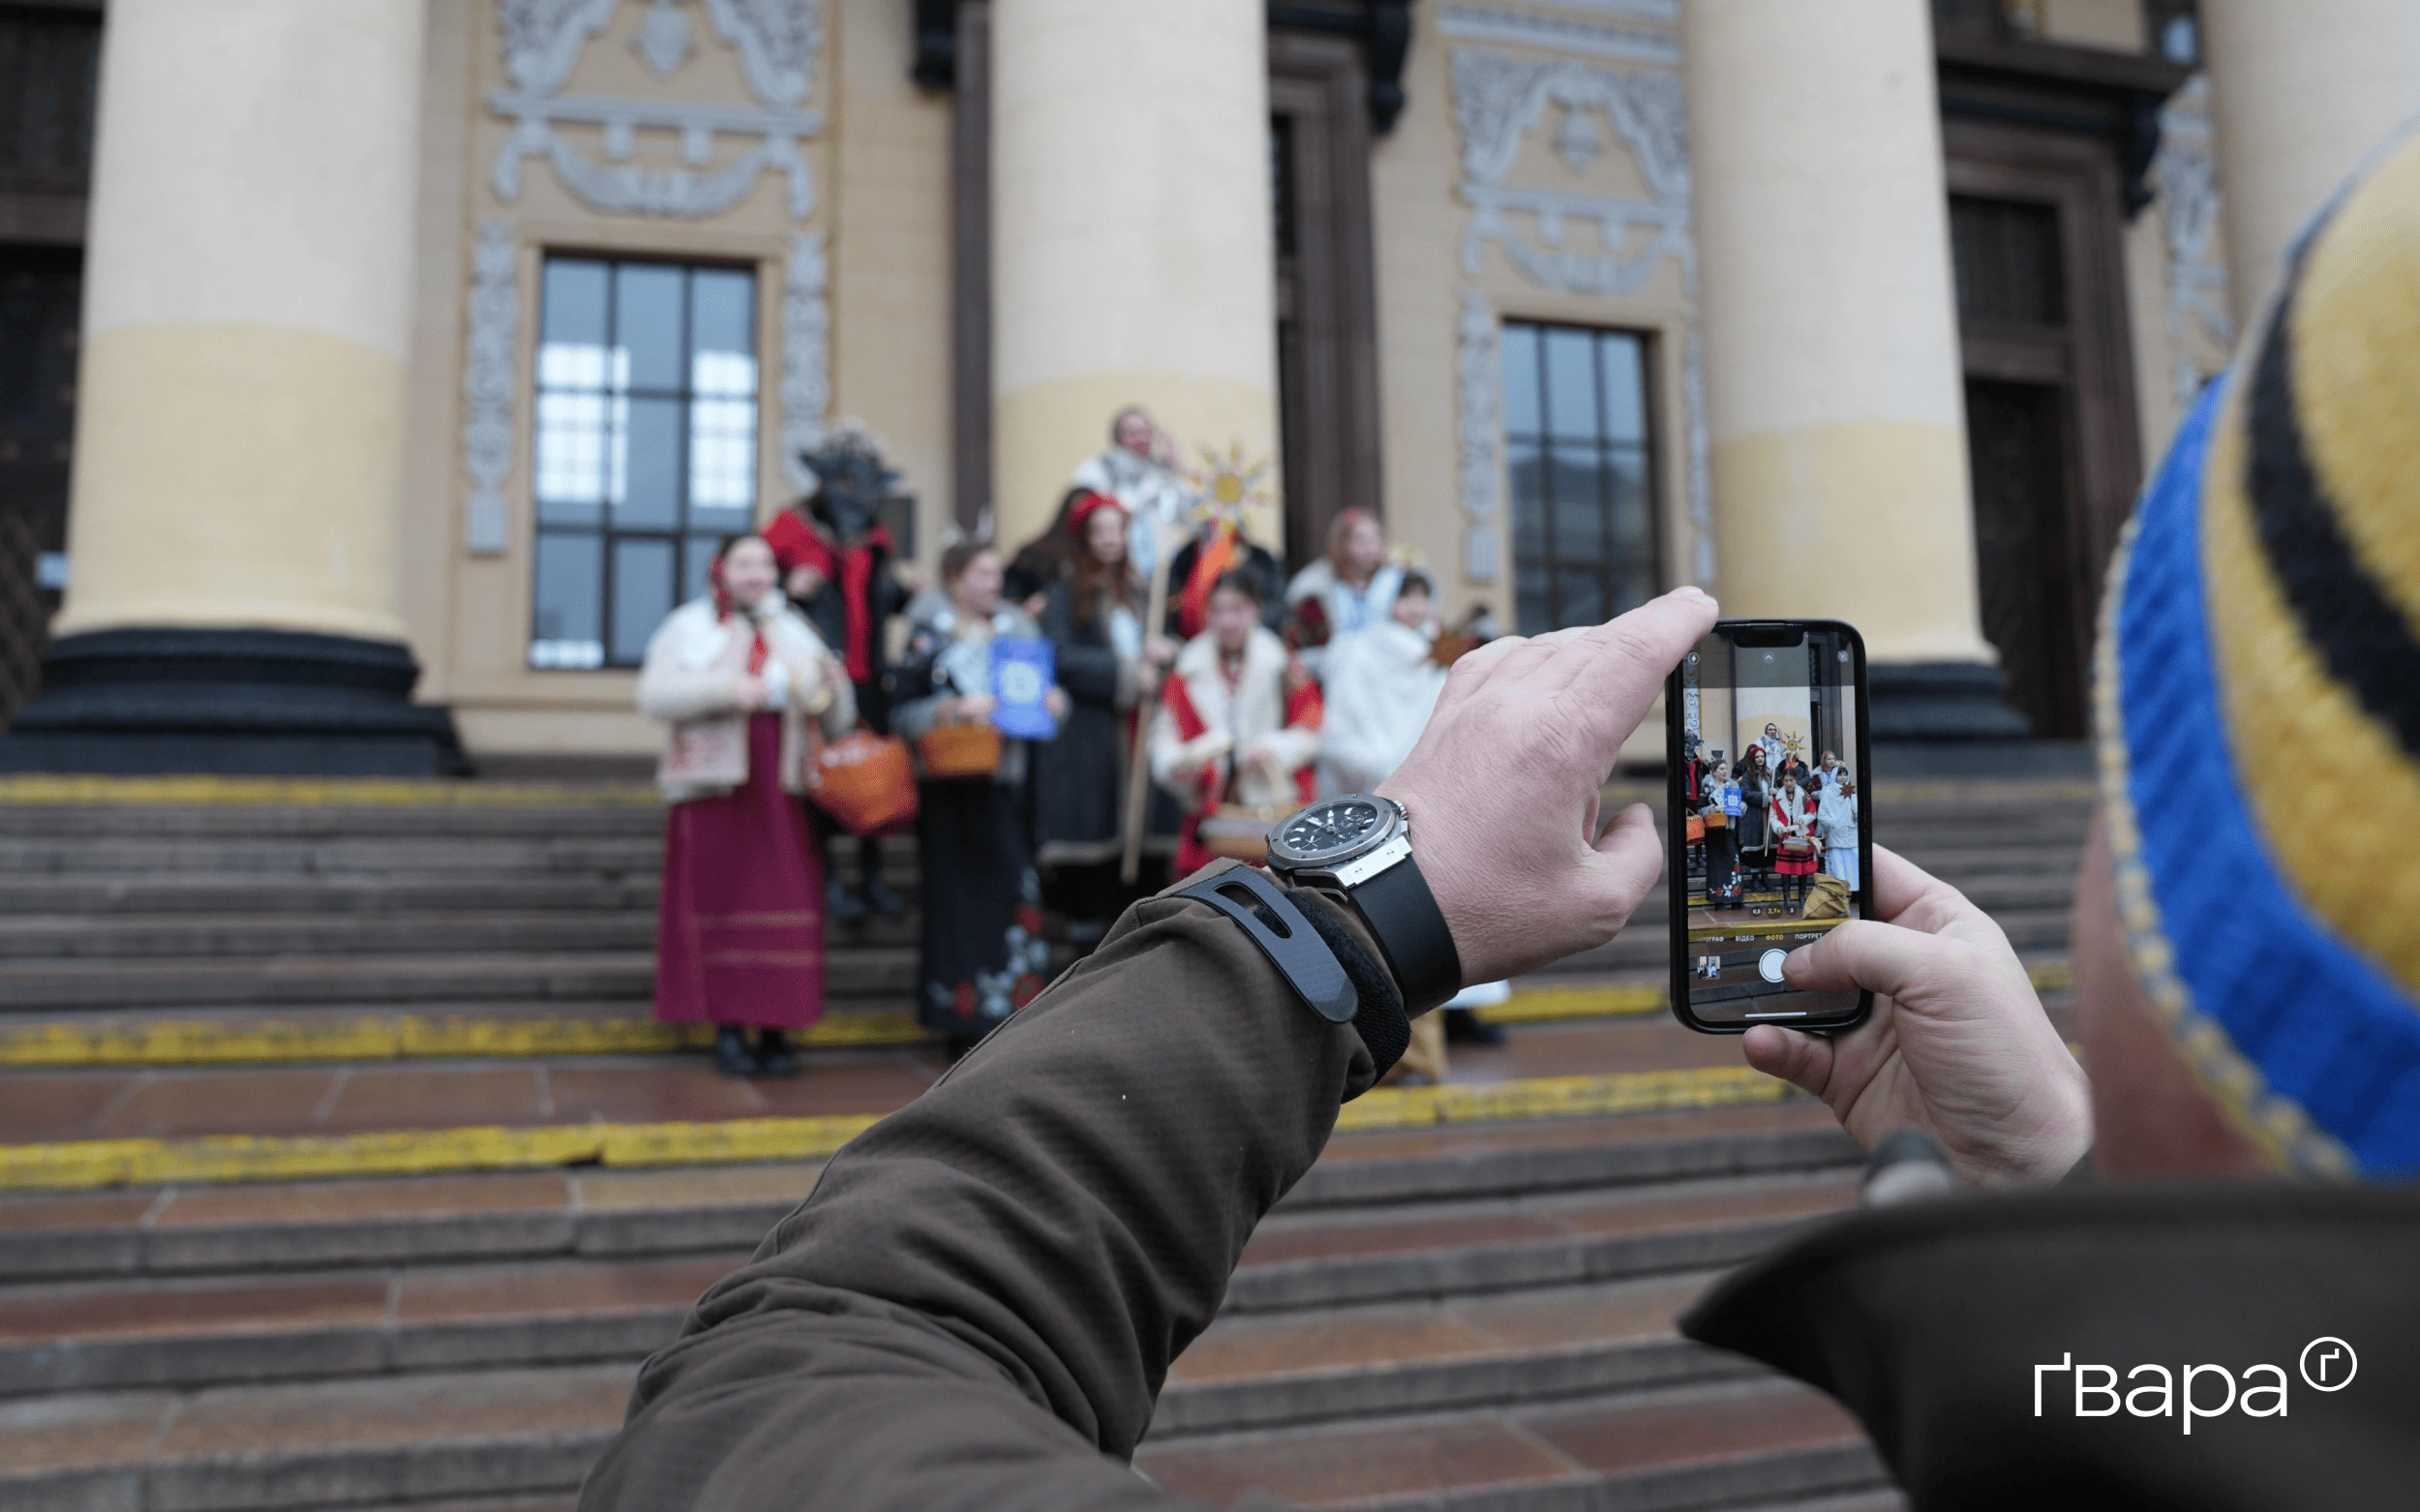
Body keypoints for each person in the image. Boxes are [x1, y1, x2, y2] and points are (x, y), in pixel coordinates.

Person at [575, 128, 2420, 1512]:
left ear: (2201, 947)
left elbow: (794, 1382)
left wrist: (1378, 894)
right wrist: (2069, 1210)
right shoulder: (2250, 1404)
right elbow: (2272, 1403)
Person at [636, 534, 855, 1078]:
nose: (755, 574)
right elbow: (653, 695)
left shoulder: (796, 630)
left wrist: (835, 684)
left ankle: (777, 1029)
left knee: (783, 901)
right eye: (743, 563)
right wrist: (725, 689)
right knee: (720, 906)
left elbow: (837, 720)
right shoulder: (689, 626)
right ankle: (728, 1028)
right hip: (714, 791)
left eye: (764, 564)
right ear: (721, 569)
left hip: (781, 790)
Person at [891, 541, 1069, 1060]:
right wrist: (953, 708)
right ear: (954, 578)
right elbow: (900, 712)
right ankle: (957, 1017)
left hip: (1006, 785)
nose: (994, 583)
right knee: (952, 904)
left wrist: (1056, 704)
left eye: (996, 574)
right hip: (947, 789)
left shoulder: (1019, 631)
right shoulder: (929, 635)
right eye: (982, 574)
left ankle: (1012, 1010)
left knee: (1014, 893)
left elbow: (1047, 702)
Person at [763, 429, 912, 924]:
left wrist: (905, 593)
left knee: (873, 775)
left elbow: (882, 598)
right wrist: (788, 586)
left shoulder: (875, 535)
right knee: (822, 779)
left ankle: (871, 879)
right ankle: (827, 883)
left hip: (869, 676)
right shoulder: (789, 528)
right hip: (818, 680)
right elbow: (751, 585)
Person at [1148, 568, 1320, 877]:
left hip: (1273, 813)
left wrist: (1272, 749)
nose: (1227, 621)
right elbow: (1165, 740)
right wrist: (1180, 765)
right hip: (1210, 820)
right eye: (1218, 610)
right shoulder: (1186, 673)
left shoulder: (1283, 667)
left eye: (1237, 609)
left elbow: (1312, 729)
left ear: (1256, 610)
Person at [1034, 491, 1174, 867]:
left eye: (1118, 529)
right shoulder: (1064, 593)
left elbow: (1165, 645)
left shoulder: (1144, 593)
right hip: (1090, 726)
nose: (1111, 538)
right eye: (1101, 531)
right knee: (1096, 824)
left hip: (1141, 723)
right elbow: (1061, 656)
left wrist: (1165, 651)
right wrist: (1127, 675)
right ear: (1085, 539)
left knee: (1144, 823)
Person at [1313, 568, 1442, 798]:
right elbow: (1348, 710)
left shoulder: (1432, 649)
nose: (1415, 607)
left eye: (1422, 598)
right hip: (1369, 761)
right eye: (1406, 597)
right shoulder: (1359, 649)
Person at [1284, 507, 1403, 674]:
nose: (1370, 549)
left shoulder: (1396, 581)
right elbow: (1306, 646)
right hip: (1337, 669)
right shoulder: (1316, 590)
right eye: (1360, 542)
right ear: (1341, 545)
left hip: (1389, 666)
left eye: (1375, 541)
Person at [1165, 506, 1286, 641]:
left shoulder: (1260, 560)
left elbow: (1277, 606)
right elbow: (1170, 606)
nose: (1227, 621)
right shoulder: (1186, 559)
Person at [1767, 769, 1819, 914]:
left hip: (1801, 835)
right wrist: (1779, 828)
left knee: (1802, 869)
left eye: (1791, 780)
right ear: (1782, 781)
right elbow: (1773, 818)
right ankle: (1787, 898)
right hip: (1786, 836)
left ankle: (1802, 897)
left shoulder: (1804, 795)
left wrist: (1802, 819)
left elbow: (1813, 813)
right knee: (1786, 869)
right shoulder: (1777, 797)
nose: (1788, 783)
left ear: (1795, 780)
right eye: (1786, 780)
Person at [1698, 757, 1743, 910]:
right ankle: (1719, 901)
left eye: (1725, 768)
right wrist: (1713, 809)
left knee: (1733, 861)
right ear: (1714, 771)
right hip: (1713, 831)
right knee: (1716, 866)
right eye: (1721, 769)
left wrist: (1742, 806)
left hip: (1729, 829)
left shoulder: (1732, 786)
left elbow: (1739, 810)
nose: (1724, 771)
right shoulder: (1706, 787)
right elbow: (1699, 810)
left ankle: (1736, 899)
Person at [1735, 742, 1772, 895]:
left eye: (1762, 756)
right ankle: (1755, 880)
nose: (1760, 759)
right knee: (1756, 849)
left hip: (1768, 815)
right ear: (1752, 758)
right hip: (1754, 815)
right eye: (1757, 757)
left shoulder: (1769, 774)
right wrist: (1764, 797)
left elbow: (1772, 792)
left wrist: (1774, 792)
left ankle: (1765, 878)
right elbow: (1746, 793)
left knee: (1767, 849)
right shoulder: (1747, 775)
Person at [1815, 771, 1859, 890]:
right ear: (1835, 777)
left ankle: (1854, 890)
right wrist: (1833, 823)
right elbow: (1822, 814)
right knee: (1837, 865)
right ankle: (1838, 890)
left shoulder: (1851, 792)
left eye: (1845, 774)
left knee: (1852, 864)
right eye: (1840, 775)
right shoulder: (1828, 792)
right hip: (1835, 835)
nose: (1843, 777)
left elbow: (1856, 810)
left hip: (1850, 833)